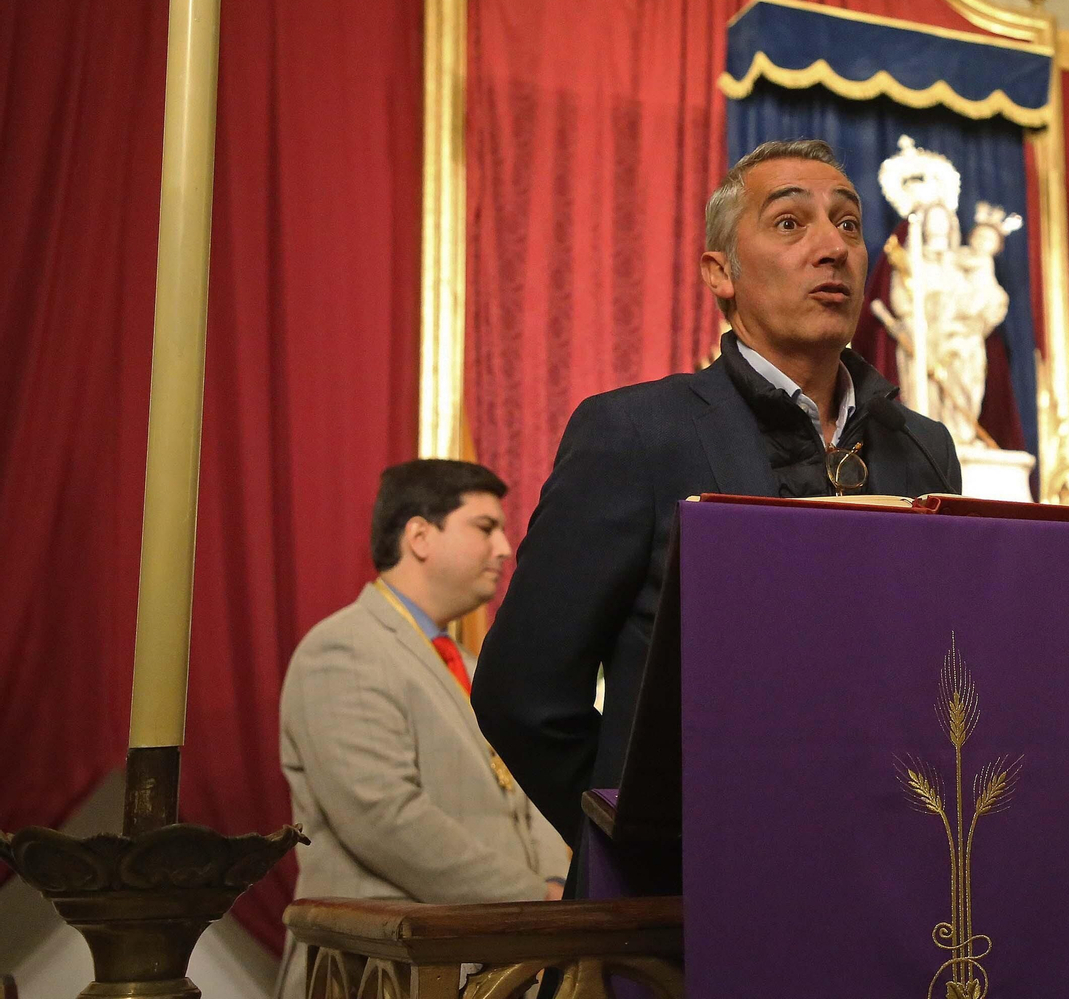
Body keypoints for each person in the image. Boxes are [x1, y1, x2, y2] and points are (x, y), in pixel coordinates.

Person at [473, 140, 961, 859]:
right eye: (791, 223)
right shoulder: (634, 433)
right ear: (720, 271)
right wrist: (631, 835)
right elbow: (522, 693)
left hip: (888, 877)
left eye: (849, 224)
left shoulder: (924, 448)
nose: (832, 246)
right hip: (683, 899)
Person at [276, 460, 567, 998]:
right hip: (382, 973)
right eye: (485, 527)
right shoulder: (344, 649)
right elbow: (384, 817)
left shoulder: (471, 665)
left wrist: (559, 888)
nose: (505, 548)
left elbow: (531, 792)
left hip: (492, 962)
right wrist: (532, 899)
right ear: (419, 535)